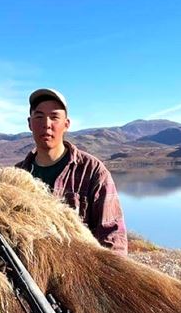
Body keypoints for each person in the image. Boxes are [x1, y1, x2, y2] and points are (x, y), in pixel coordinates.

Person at [16, 88, 127, 256]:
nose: (46, 124)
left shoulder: (92, 171)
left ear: (66, 124)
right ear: (29, 123)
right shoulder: (15, 178)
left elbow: (113, 238)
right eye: (39, 116)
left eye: (54, 117)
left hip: (81, 269)